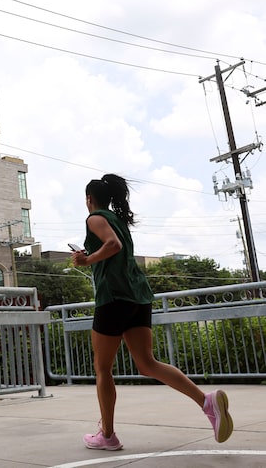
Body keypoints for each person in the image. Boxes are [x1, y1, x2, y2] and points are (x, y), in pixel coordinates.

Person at [71, 174, 232, 450]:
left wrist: (87, 260)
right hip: (138, 296)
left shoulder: (95, 218)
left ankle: (107, 436)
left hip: (113, 298)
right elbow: (115, 249)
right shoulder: (118, 220)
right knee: (147, 363)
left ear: (89, 199)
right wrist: (90, 256)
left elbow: (113, 246)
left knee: (102, 369)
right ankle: (206, 401)